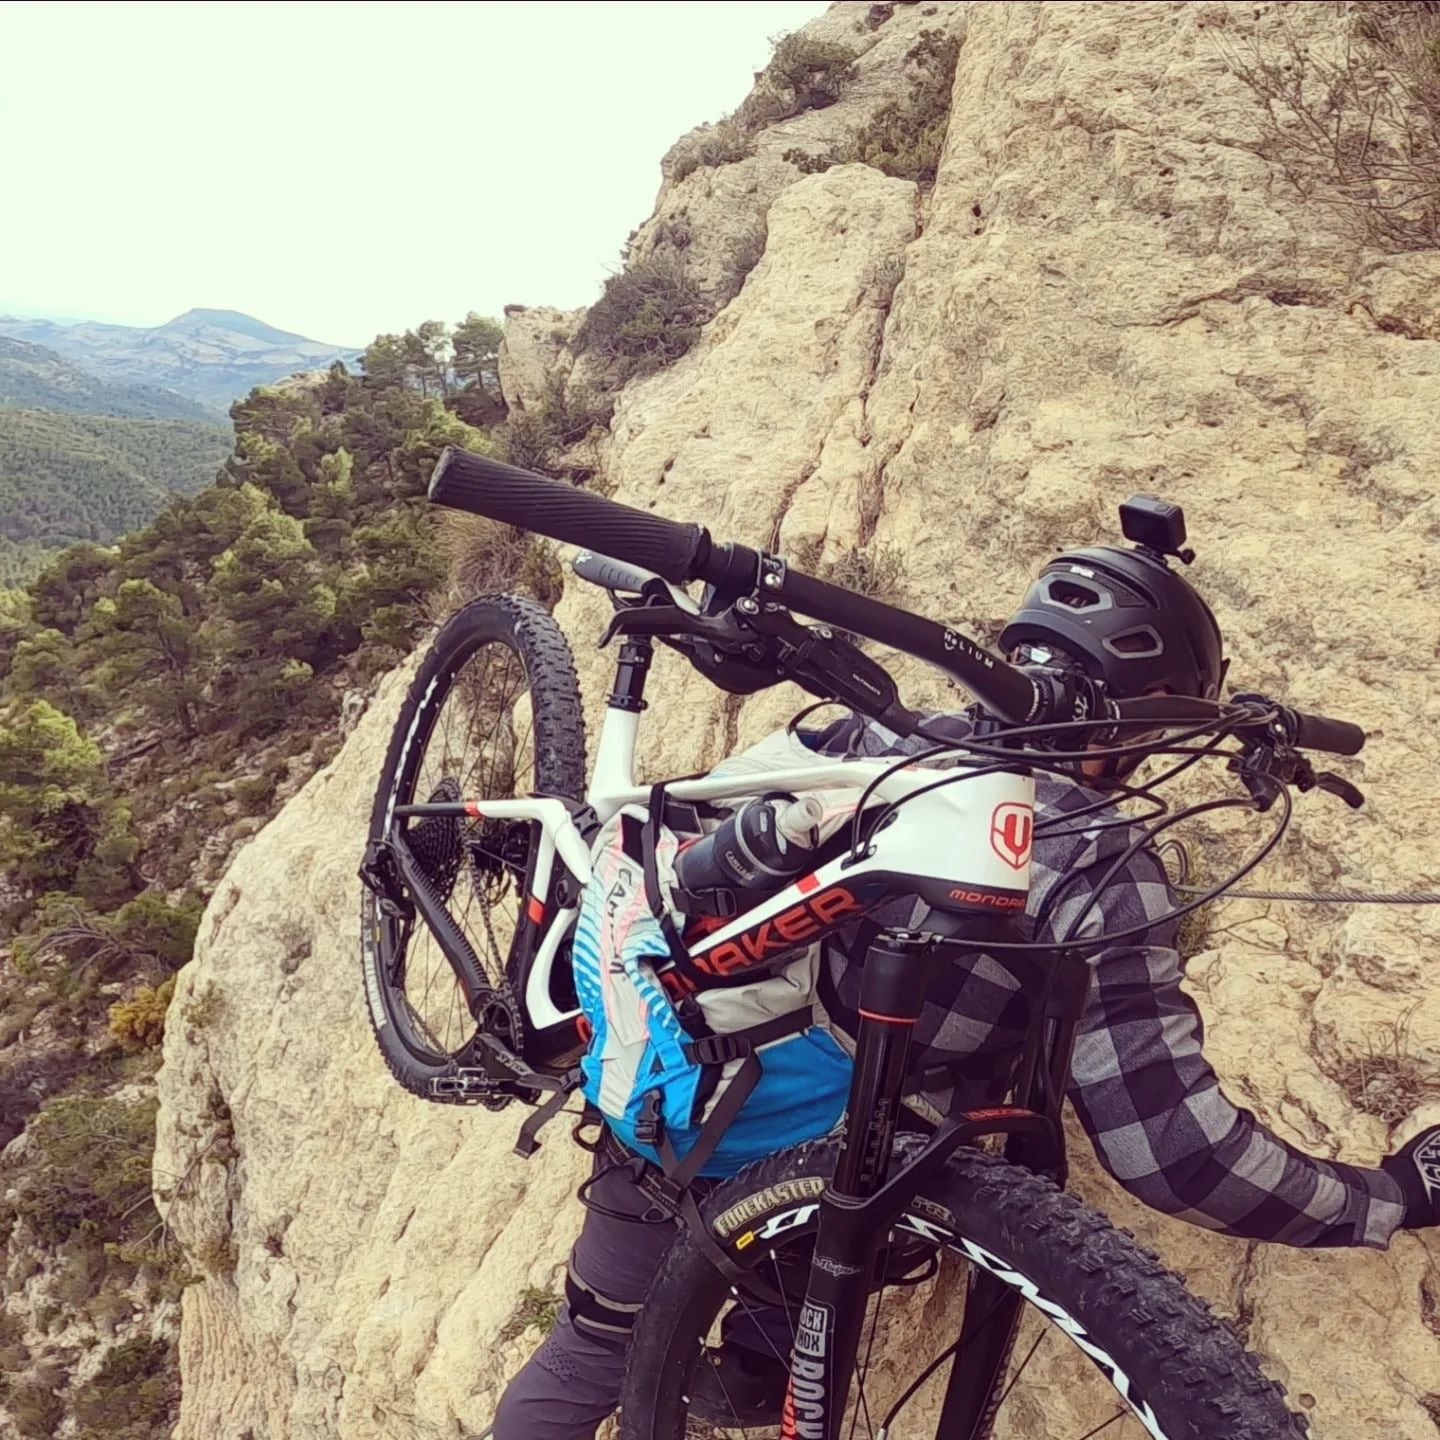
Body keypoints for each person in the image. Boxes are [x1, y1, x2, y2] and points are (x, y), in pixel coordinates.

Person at [487, 539, 1440, 1439]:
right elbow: (1174, 1151)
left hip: (669, 1103)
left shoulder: (853, 736)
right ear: (1154, 716)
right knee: (821, 1230)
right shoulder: (1091, 860)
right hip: (821, 1142)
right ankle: (755, 1358)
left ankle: (750, 1368)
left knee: (592, 1350)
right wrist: (1386, 1196)